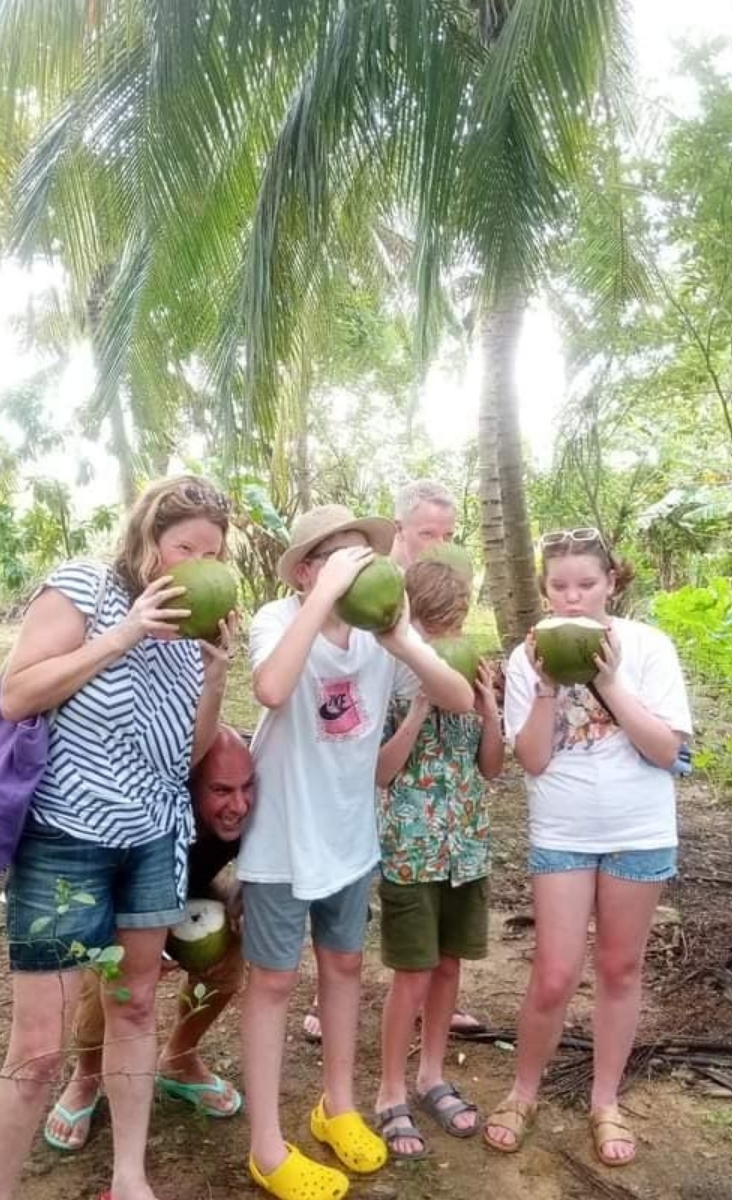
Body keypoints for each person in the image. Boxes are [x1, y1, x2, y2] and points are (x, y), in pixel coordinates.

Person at [0, 475, 235, 1200]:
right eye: (184, 547)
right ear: (149, 538)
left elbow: (184, 759)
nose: (197, 564)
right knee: (37, 1051)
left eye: (211, 553)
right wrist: (126, 633)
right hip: (66, 838)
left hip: (153, 841)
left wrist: (214, 677)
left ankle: (129, 1177)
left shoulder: (189, 633)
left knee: (136, 1005)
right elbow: (17, 694)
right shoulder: (86, 588)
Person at [238, 504, 475, 1200]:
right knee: (273, 983)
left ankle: (337, 1105)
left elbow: (457, 697)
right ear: (306, 572)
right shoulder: (278, 619)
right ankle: (265, 1146)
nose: (354, 569)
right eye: (338, 558)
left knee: (343, 967)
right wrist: (321, 600)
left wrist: (400, 638)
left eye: (362, 557)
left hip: (349, 838)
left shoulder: (378, 637)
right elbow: (271, 688)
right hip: (282, 839)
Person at [483, 527, 692, 1167]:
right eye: (559, 586)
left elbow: (667, 750)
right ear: (545, 590)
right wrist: (548, 685)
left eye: (586, 584)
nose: (572, 598)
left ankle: (605, 1100)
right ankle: (523, 1092)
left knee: (620, 969)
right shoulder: (527, 658)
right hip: (563, 833)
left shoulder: (649, 647)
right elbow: (533, 760)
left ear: (611, 583)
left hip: (639, 831)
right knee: (553, 974)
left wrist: (609, 681)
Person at [303, 478, 486, 1042]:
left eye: (448, 534)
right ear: (401, 530)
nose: (440, 545)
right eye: (429, 533)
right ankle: (325, 996)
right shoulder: (371, 587)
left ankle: (434, 1001)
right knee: (355, 883)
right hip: (368, 766)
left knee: (428, 910)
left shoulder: (442, 590)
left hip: (440, 803)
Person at [43, 725, 255, 1152]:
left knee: (229, 960)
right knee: (111, 974)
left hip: (190, 891)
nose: (239, 804)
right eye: (221, 790)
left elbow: (275, 847)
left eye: (246, 787)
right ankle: (86, 1076)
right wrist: (138, 940)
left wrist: (247, 889)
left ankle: (179, 1058)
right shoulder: (144, 808)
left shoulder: (252, 806)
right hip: (124, 894)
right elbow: (94, 885)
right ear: (187, 787)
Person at [372, 560, 505, 1159]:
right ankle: (389, 1090)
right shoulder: (394, 678)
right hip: (411, 847)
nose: (449, 632)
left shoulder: (473, 668)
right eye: (437, 621)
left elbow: (492, 768)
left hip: (467, 847)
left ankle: (431, 1075)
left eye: (456, 619)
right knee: (413, 972)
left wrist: (489, 708)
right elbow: (381, 772)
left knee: (449, 966)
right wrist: (419, 710)